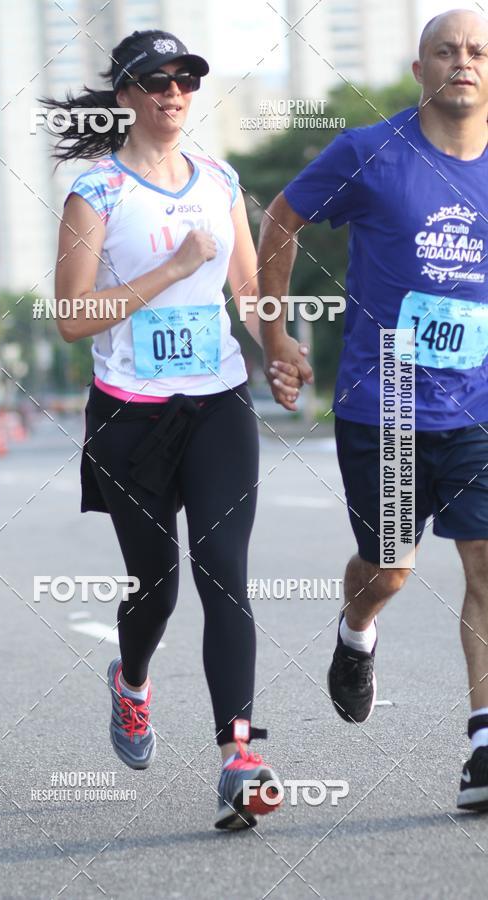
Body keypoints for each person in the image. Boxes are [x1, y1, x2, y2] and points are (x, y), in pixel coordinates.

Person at [47, 29, 292, 829]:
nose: (174, 91)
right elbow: (71, 319)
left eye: (186, 78)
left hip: (218, 402)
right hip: (129, 415)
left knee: (224, 571)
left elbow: (250, 290)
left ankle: (240, 757)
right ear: (126, 95)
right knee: (156, 589)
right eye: (155, 80)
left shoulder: (218, 180)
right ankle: (133, 682)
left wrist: (279, 346)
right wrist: (173, 270)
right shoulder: (97, 193)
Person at [257, 9, 488, 811]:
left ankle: (483, 744)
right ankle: (356, 634)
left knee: (486, 567)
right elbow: (281, 214)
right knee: (390, 568)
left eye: (476, 51)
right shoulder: (369, 152)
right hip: (384, 403)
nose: (462, 62)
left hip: (478, 408)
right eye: (446, 52)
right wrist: (276, 331)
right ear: (419, 69)